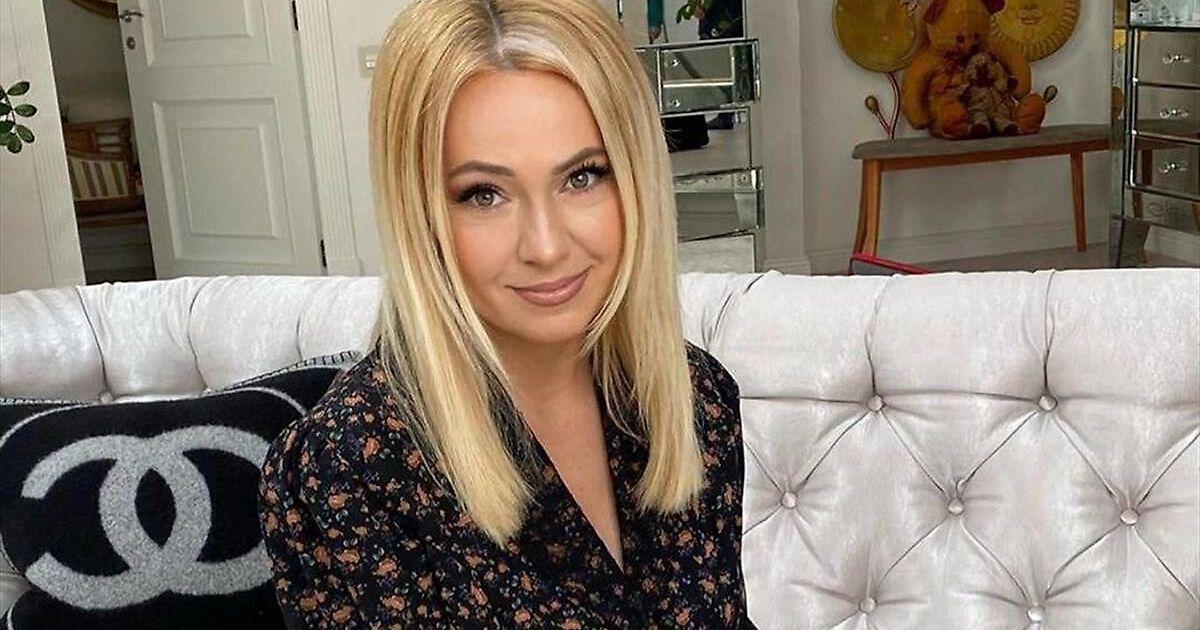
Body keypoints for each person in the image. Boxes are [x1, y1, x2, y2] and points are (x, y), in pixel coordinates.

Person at [256, 0, 753, 626]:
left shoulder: (695, 397)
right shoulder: (353, 465)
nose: (545, 246)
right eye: (483, 194)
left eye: (583, 177)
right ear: (421, 215)